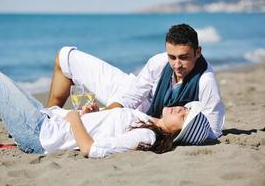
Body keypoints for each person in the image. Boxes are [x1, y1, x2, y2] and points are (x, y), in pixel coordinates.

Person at [0, 69, 210, 158]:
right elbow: (104, 133)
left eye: (184, 115)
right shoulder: (146, 120)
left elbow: (92, 150)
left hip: (43, 134)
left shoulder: (147, 136)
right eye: (186, 106)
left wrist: (74, 118)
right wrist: (89, 115)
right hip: (50, 121)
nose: (180, 108)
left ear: (180, 131)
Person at [46, 24, 225, 141]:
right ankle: (47, 119)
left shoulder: (206, 80)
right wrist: (105, 113)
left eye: (184, 58)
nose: (177, 64)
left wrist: (177, 134)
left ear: (198, 52)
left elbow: (213, 131)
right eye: (172, 57)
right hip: (133, 97)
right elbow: (132, 95)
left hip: (149, 123)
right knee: (65, 57)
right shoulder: (158, 62)